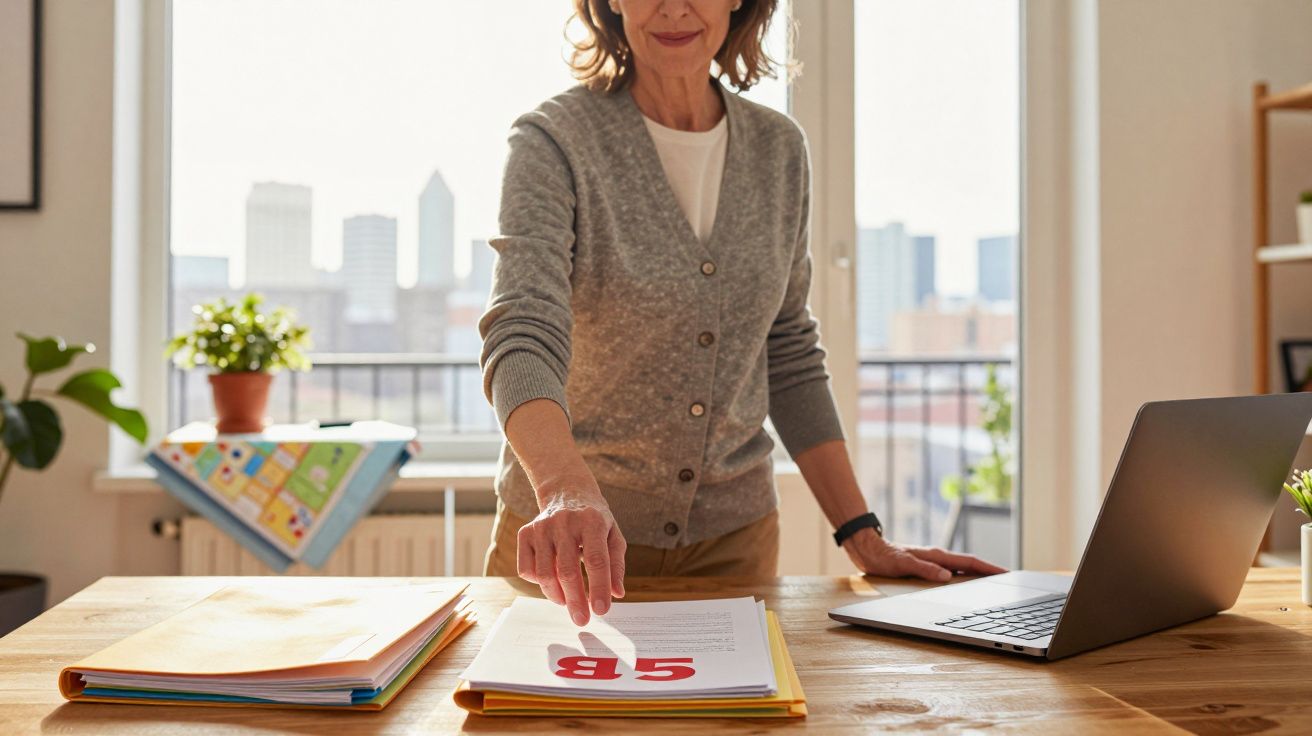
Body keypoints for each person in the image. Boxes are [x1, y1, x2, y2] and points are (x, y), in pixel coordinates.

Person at [478, 0, 1005, 626]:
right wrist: (565, 490)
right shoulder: (553, 141)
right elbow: (522, 329)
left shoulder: (779, 150)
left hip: (735, 548)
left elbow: (787, 349)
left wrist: (862, 534)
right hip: (570, 546)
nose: (675, 8)